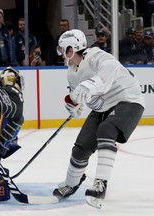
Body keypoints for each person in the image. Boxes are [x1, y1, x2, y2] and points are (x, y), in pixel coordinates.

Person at [53, 29, 145, 209]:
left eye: (66, 49)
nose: (63, 54)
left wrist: (91, 84)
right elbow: (79, 98)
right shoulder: (71, 72)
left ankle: (100, 183)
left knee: (106, 130)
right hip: (102, 107)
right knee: (81, 147)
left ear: (74, 48)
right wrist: (74, 106)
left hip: (127, 99)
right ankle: (71, 183)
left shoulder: (95, 55)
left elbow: (111, 67)